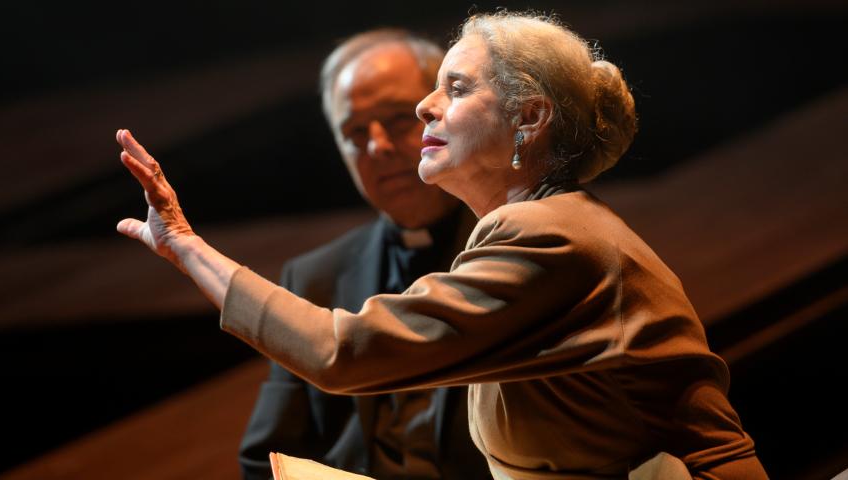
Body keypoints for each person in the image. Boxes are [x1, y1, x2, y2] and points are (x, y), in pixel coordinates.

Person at [115, 11, 768, 479]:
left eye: (454, 88)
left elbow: (340, 353)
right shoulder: (540, 224)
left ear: (528, 117)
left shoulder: (551, 235)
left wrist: (186, 245)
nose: (425, 108)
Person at [236, 29, 490, 480]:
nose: (377, 146)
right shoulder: (314, 278)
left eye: (398, 119)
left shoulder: (521, 245)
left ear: (448, 110)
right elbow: (266, 456)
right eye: (355, 131)